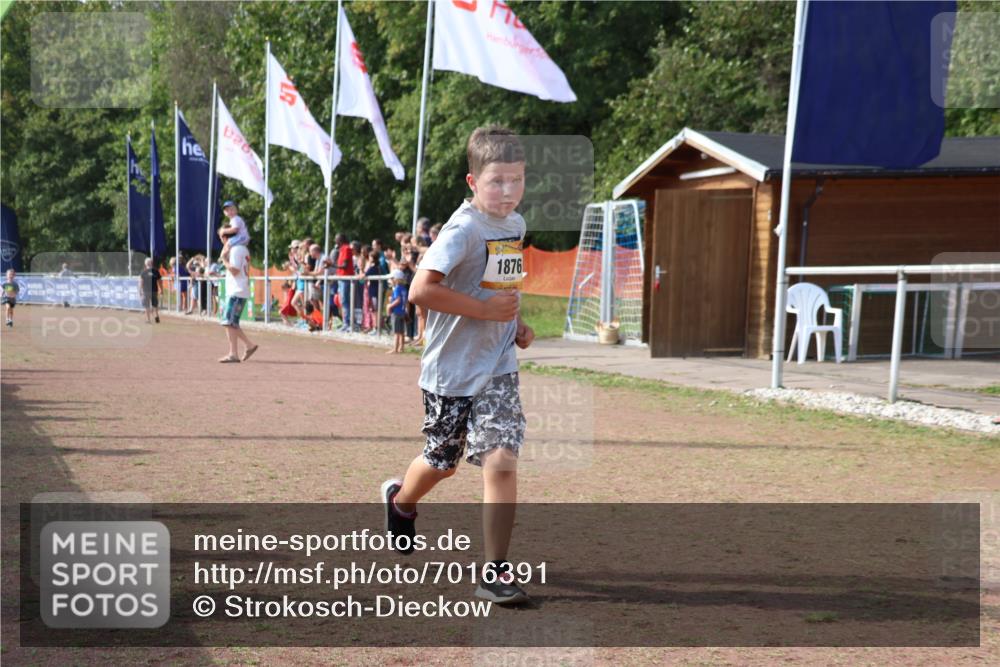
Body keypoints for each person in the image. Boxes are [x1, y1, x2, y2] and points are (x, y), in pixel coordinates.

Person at [381, 125, 535, 605]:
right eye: (496, 181)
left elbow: (501, 286)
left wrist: (516, 322)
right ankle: (401, 501)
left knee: (501, 460)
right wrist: (486, 312)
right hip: (450, 371)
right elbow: (420, 290)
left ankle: (494, 571)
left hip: (497, 366)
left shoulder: (515, 225)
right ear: (473, 182)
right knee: (441, 462)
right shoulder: (463, 228)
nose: (507, 191)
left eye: (516, 179)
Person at [218, 241, 259, 363]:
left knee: (228, 322)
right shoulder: (242, 249)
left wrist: (223, 259)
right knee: (230, 323)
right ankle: (248, 346)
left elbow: (234, 270)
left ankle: (234, 353)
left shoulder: (236, 249)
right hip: (238, 290)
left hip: (237, 291)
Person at [334, 233, 354, 331]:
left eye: (336, 239)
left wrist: (332, 265)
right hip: (341, 278)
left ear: (340, 240)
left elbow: (345, 265)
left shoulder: (346, 249)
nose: (335, 241)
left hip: (345, 278)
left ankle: (347, 323)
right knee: (342, 301)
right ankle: (345, 322)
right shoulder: (341, 249)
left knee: (345, 301)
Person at [385, 269, 408, 354]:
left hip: (396, 312)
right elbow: (405, 301)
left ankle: (395, 349)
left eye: (392, 278)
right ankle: (401, 348)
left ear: (396, 279)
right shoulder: (403, 288)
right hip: (402, 312)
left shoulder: (397, 288)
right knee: (401, 331)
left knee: (396, 332)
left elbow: (398, 300)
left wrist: (390, 306)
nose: (391, 280)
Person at [139, 258, 161, 324]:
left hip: (146, 291)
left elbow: (141, 282)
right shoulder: (156, 271)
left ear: (145, 264)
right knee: (155, 305)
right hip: (154, 290)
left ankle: (148, 320)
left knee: (147, 306)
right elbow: (160, 281)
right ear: (152, 263)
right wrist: (161, 289)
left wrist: (140, 291)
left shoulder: (143, 272)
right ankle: (156, 317)